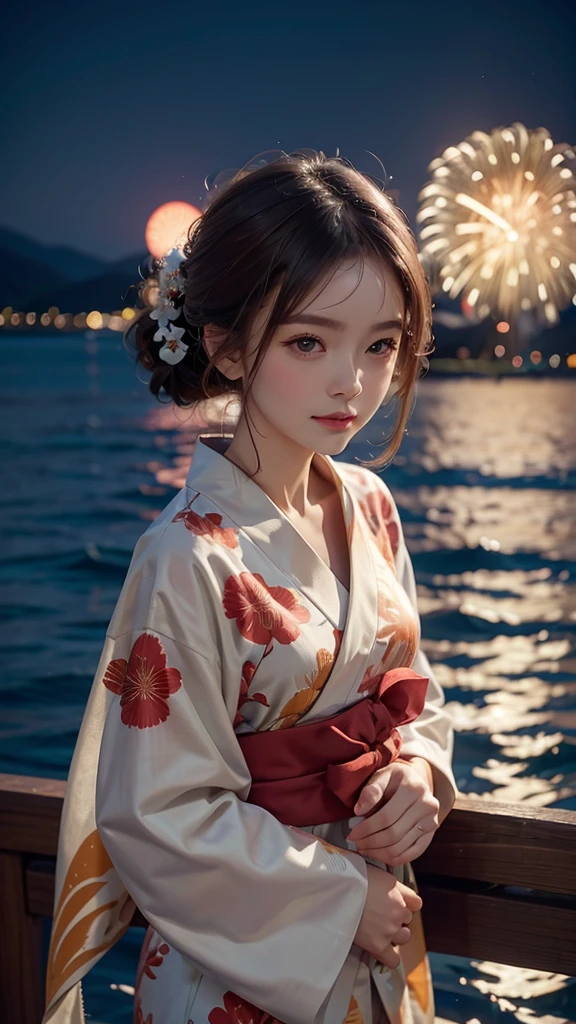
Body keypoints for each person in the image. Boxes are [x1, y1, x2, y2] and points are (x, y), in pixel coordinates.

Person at [42, 150, 457, 1024]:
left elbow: (409, 690)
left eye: (380, 344)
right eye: (309, 341)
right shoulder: (185, 555)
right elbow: (155, 811)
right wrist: (343, 897)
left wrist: (419, 772)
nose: (353, 382)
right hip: (246, 968)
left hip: (377, 910)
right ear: (226, 348)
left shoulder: (371, 506)